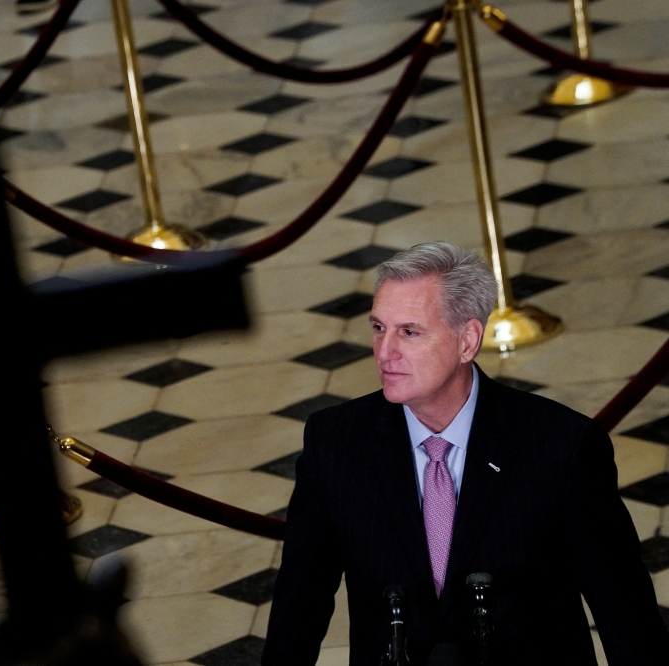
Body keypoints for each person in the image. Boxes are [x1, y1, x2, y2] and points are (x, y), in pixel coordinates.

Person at [262, 241, 669, 665]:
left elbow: (627, 620)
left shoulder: (561, 446)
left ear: (468, 340)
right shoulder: (335, 443)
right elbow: (298, 612)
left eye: (410, 332)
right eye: (379, 327)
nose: (385, 352)